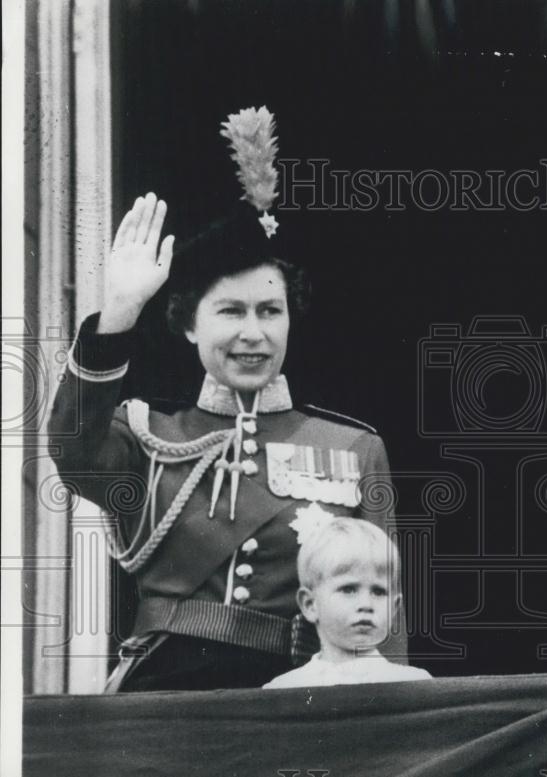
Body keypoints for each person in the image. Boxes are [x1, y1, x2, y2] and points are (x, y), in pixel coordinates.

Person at [47, 108, 409, 690]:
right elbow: (74, 451)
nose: (253, 333)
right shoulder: (148, 437)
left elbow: (383, 610)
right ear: (190, 325)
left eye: (270, 311)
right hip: (167, 694)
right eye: (231, 311)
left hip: (298, 695)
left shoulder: (353, 449)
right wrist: (118, 315)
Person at [263, 515, 432, 688]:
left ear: (394, 607)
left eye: (378, 592)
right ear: (310, 605)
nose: (366, 605)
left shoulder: (415, 685)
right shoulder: (285, 689)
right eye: (348, 589)